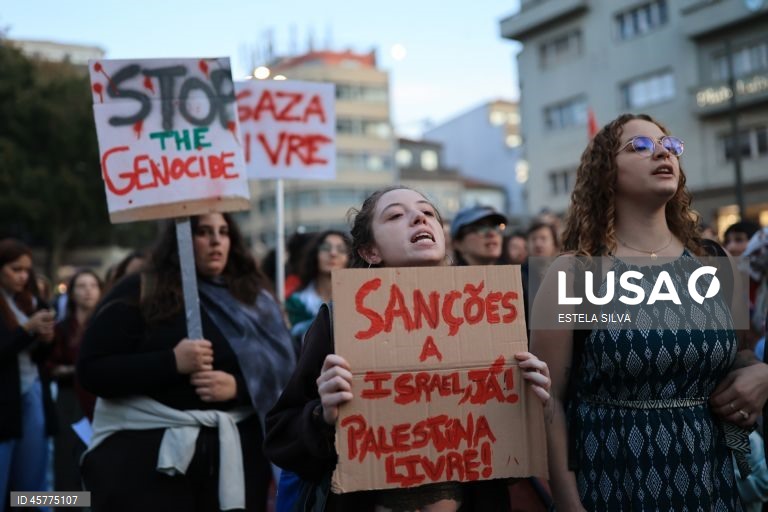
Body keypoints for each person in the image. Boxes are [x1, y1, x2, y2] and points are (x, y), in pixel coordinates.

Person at [264, 186, 551, 511]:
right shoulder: (340, 322)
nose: (418, 218)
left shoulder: (490, 313)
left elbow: (507, 458)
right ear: (370, 251)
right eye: (396, 215)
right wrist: (322, 416)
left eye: (428, 213)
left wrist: (527, 401)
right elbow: (280, 438)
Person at [531, 113, 751, 510]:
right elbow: (548, 403)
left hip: (713, 487)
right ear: (606, 174)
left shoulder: (716, 264)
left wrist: (761, 375)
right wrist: (568, 506)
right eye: (641, 147)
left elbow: (739, 357)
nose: (662, 153)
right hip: (614, 485)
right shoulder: (576, 274)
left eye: (670, 146)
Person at [77, 213, 296, 512]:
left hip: (236, 458)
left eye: (223, 231)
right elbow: (93, 371)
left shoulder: (254, 299)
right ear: (179, 239)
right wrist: (171, 362)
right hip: (150, 468)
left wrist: (240, 388)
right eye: (204, 231)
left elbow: (286, 370)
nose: (216, 240)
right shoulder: (141, 291)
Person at [0, 239, 57, 511]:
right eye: (15, 269)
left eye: (26, 270)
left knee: (35, 484)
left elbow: (42, 358)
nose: (23, 276)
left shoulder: (31, 301)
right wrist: (27, 331)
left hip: (33, 392)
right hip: (4, 405)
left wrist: (46, 339)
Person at [48, 269, 103, 495]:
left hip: (98, 400)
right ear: (71, 293)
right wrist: (73, 370)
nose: (88, 291)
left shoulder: (106, 324)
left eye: (93, 285)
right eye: (81, 286)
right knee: (66, 461)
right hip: (68, 399)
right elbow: (48, 366)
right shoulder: (61, 328)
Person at [285, 230, 351, 354]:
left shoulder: (355, 301)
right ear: (315, 254)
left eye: (341, 249)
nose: (333, 253)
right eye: (326, 248)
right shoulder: (296, 301)